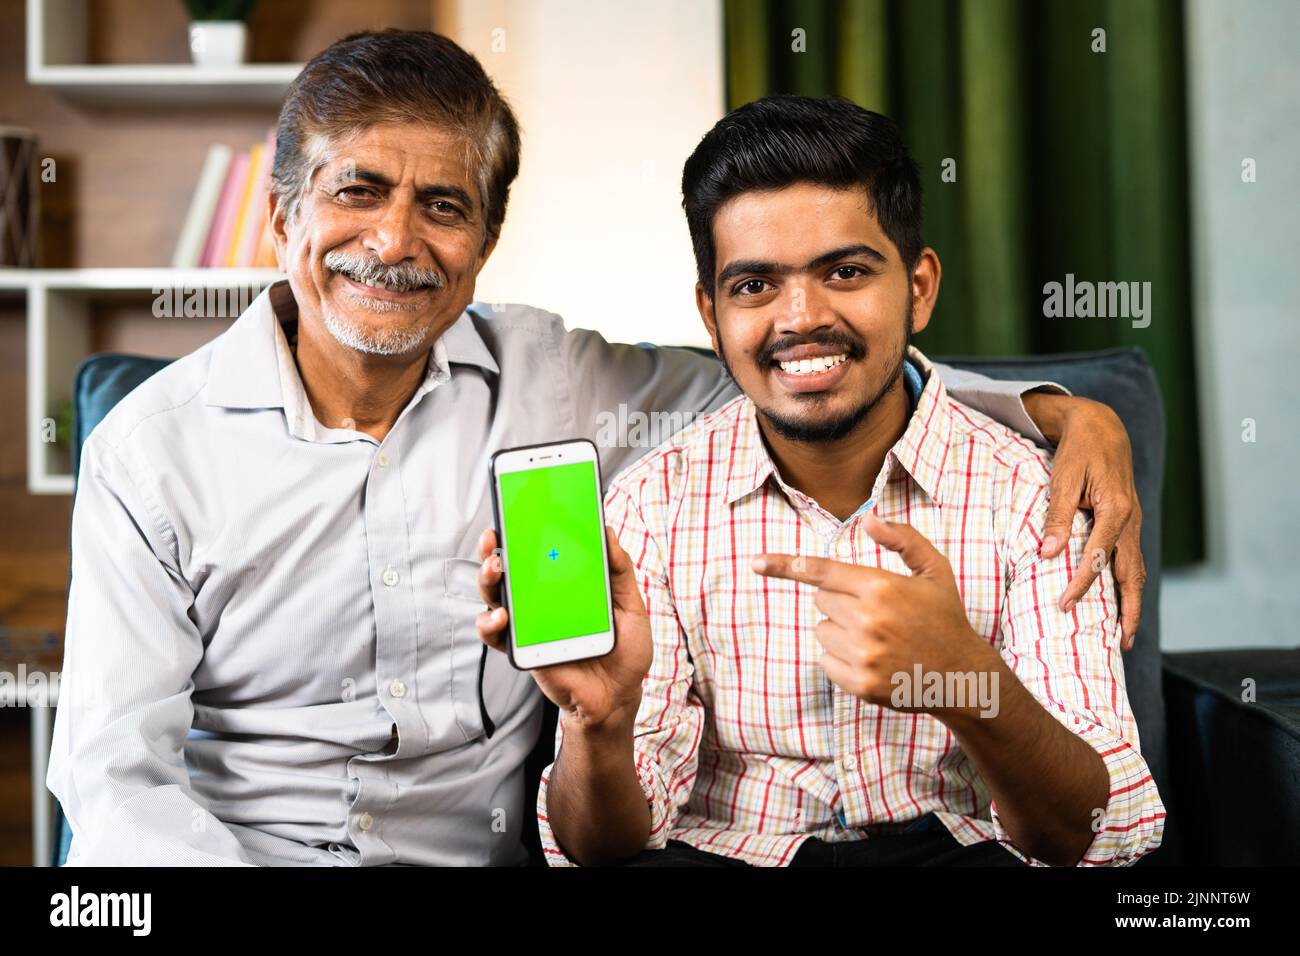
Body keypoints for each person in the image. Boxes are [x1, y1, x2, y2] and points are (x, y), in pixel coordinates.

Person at [50, 31, 1143, 866]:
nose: (395, 241)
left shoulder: (563, 380)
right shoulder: (151, 450)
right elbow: (112, 775)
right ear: (281, 219)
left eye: (443, 204)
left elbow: (798, 367)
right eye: (357, 193)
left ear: (482, 243)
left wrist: (1062, 410)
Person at [477, 95, 1163, 867]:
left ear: (920, 287)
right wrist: (600, 724)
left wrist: (971, 683)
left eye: (845, 271)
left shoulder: (1036, 496)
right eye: (754, 286)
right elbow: (600, 852)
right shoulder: (650, 506)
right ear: (712, 315)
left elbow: (1102, 833)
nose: (800, 317)